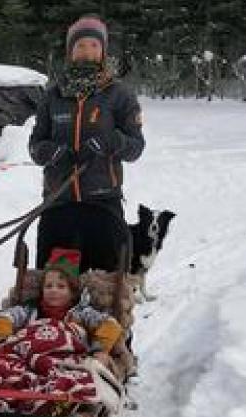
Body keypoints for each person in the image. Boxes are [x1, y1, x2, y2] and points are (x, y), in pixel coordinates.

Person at [29, 15, 145, 273]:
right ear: (71, 51)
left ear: (103, 50)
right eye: (80, 46)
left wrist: (111, 141)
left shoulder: (119, 95)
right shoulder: (53, 96)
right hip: (59, 205)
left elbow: (136, 147)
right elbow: (35, 146)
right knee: (54, 289)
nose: (87, 52)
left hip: (103, 206)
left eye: (94, 45)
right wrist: (52, 152)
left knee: (102, 292)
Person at [0, 248, 123, 367]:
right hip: (29, 361)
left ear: (72, 293)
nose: (53, 291)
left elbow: (110, 324)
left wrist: (99, 350)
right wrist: (3, 341)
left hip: (67, 363)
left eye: (61, 286)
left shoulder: (81, 313)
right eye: (49, 286)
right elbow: (4, 317)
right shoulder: (30, 310)